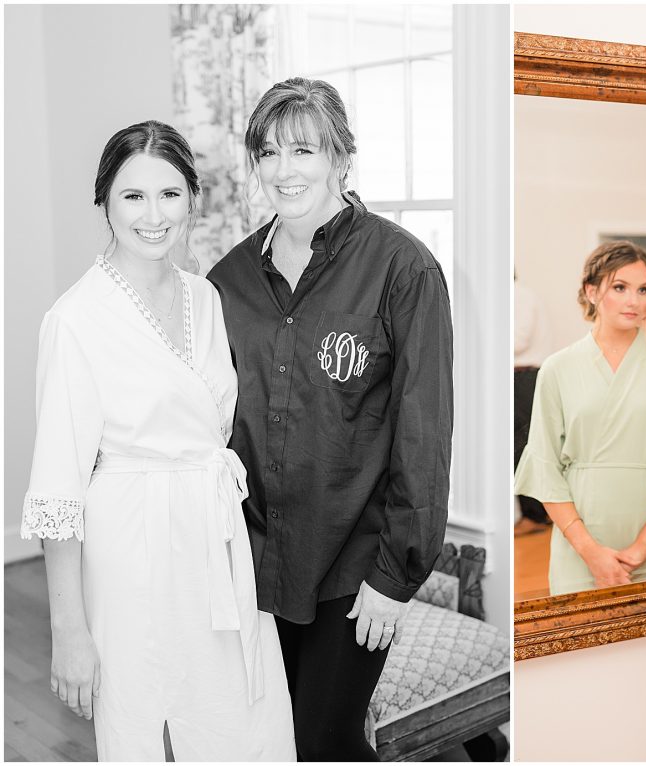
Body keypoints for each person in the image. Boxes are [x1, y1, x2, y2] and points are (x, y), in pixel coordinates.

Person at [20, 121, 295, 761]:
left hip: (217, 540)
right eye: (133, 196)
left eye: (170, 194)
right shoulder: (75, 320)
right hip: (131, 548)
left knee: (246, 724)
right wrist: (69, 630)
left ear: (192, 200)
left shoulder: (206, 296)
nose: (153, 214)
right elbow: (58, 490)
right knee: (146, 725)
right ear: (105, 203)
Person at [207, 77, 454, 761]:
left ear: (341, 158)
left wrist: (394, 578)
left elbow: (424, 434)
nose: (284, 171)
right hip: (252, 562)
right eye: (268, 153)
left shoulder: (404, 269)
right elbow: (212, 421)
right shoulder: (227, 281)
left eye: (303, 151)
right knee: (265, 741)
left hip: (353, 569)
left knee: (325, 741)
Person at [514, 241, 646, 595]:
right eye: (620, 288)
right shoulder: (557, 369)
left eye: (643, 290)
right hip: (579, 544)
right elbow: (544, 468)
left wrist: (643, 546)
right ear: (592, 291)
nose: (634, 301)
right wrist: (591, 552)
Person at [514, 273, 553, 535]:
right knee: (520, 447)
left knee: (523, 448)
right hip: (520, 377)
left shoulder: (518, 294)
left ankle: (537, 516)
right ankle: (537, 514)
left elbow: (519, 339)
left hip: (524, 377)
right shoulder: (520, 293)